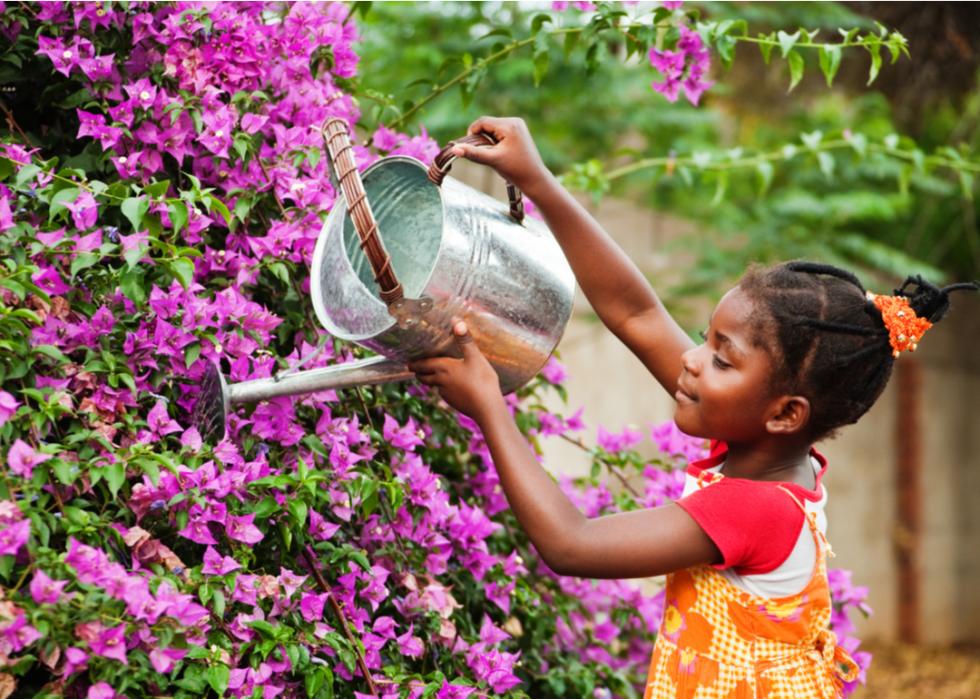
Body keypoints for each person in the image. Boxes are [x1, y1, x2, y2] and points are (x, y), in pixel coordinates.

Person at [406, 116, 978, 698]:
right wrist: (539, 182)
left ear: (785, 413)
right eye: (706, 338)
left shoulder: (754, 507)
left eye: (722, 359)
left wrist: (488, 406)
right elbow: (638, 316)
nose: (692, 360)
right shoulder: (766, 448)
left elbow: (570, 544)